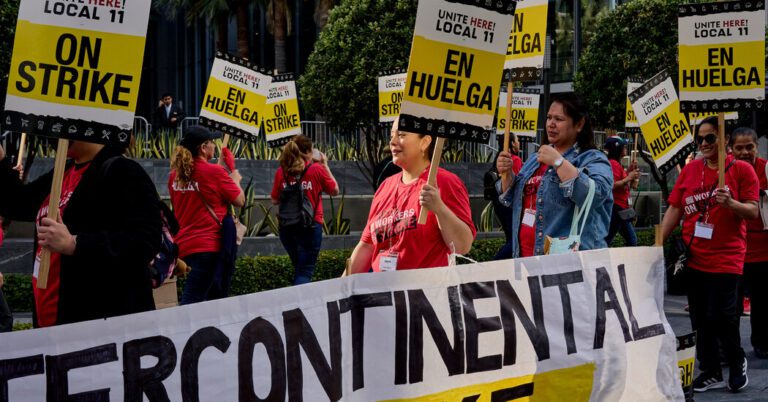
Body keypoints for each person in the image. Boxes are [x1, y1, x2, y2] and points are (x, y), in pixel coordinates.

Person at [0, 139, 161, 327]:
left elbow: (145, 241)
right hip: (51, 323)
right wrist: (2, 160)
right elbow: (18, 204)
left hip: (97, 327)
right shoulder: (63, 171)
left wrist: (75, 243)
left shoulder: (123, 171)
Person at [660, 116, 759, 393]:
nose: (704, 144)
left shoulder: (740, 170)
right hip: (696, 257)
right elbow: (675, 208)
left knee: (724, 315)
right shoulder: (690, 170)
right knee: (700, 319)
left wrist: (732, 203)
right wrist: (656, 244)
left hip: (728, 257)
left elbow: (753, 211)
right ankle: (710, 369)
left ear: (723, 139)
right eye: (700, 139)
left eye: (710, 138)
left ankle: (736, 359)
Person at [347, 123, 476, 273]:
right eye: (391, 135)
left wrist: (440, 209)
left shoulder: (446, 182)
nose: (392, 141)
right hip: (382, 292)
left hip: (426, 293)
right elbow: (367, 245)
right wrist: (342, 288)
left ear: (425, 142)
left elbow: (463, 246)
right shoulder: (385, 186)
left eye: (401, 135)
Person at [495, 93, 613, 257]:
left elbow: (595, 196)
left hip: (570, 266)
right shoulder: (534, 159)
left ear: (579, 124)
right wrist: (507, 174)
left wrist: (559, 162)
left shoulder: (592, 159)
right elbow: (512, 199)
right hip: (525, 259)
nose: (551, 124)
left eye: (559, 119)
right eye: (549, 117)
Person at [169, 126, 245, 304]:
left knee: (207, 300)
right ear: (203, 147)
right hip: (208, 247)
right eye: (212, 142)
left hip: (184, 247)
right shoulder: (215, 172)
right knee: (193, 300)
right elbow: (240, 200)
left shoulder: (174, 176)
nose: (215, 146)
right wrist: (235, 179)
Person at [271, 135, 339, 285]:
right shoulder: (316, 169)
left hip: (287, 227)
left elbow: (275, 199)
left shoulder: (281, 172)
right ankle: (298, 306)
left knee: (299, 269)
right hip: (310, 226)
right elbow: (335, 190)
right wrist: (325, 165)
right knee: (305, 271)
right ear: (307, 152)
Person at [730, 127, 768, 359]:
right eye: (739, 148)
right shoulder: (725, 171)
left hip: (763, 251)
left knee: (763, 303)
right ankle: (728, 349)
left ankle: (762, 343)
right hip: (733, 251)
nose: (745, 152)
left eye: (749, 147)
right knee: (730, 306)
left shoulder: (766, 169)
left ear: (756, 147)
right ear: (731, 149)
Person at [486, 134, 523, 259]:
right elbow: (517, 186)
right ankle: (495, 263)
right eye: (517, 140)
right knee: (515, 240)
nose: (519, 143)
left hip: (498, 204)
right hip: (509, 205)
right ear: (512, 143)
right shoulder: (514, 160)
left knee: (510, 237)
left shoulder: (499, 159)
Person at [604, 136, 640, 246]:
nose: (625, 148)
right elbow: (613, 185)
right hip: (617, 209)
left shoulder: (617, 164)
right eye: (623, 146)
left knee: (608, 240)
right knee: (631, 241)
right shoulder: (613, 164)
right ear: (616, 148)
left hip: (621, 210)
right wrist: (629, 177)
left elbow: (624, 182)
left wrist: (630, 171)